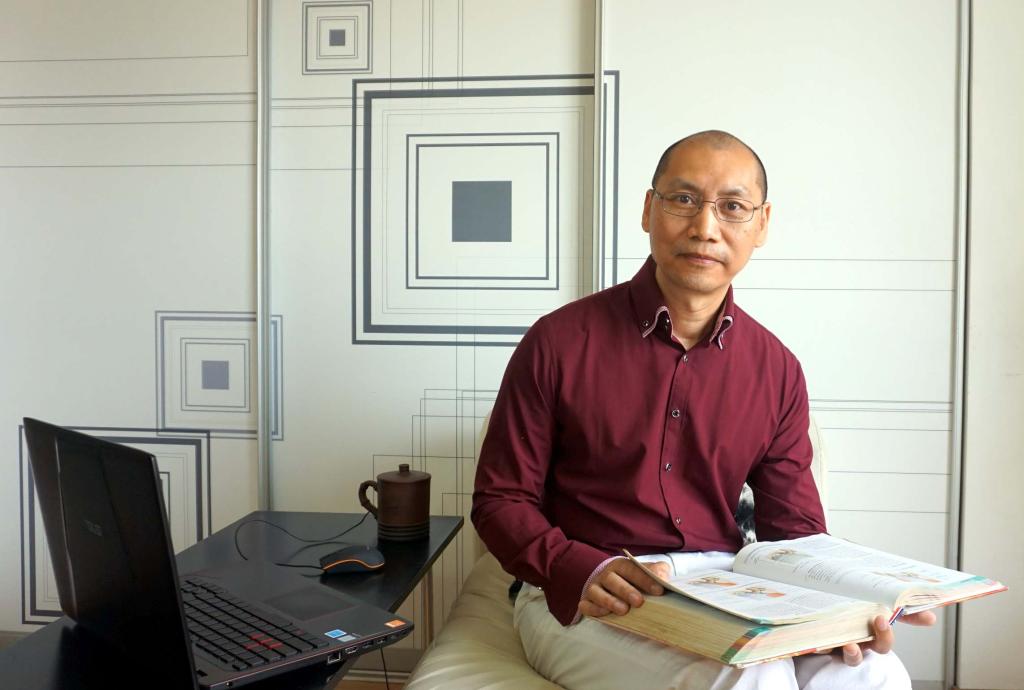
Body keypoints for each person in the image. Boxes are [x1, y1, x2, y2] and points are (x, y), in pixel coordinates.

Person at [471, 130, 935, 689]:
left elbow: (794, 531)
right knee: (752, 678)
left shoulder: (777, 368)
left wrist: (847, 604)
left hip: (727, 587)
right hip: (590, 592)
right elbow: (500, 501)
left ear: (762, 224)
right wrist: (579, 568)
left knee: (875, 673)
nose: (705, 227)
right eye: (684, 199)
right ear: (649, 209)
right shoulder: (558, 342)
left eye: (733, 207)